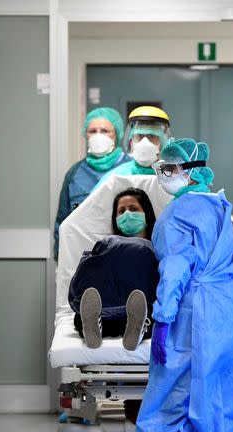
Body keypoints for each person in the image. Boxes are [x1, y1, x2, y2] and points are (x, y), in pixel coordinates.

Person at [136, 139, 233, 432]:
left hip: (193, 314)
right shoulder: (219, 206)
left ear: (189, 170)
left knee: (176, 404)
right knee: (218, 407)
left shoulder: (177, 214)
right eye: (161, 169)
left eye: (170, 169)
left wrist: (164, 316)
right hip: (230, 313)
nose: (164, 176)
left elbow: (175, 269)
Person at [67, 188, 159, 351]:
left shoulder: (159, 248)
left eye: (133, 209)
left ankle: (102, 327)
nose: (127, 214)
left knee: (152, 315)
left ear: (146, 213)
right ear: (115, 219)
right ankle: (136, 327)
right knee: (81, 315)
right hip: (109, 306)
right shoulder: (105, 247)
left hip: (140, 307)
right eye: (121, 211)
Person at [54, 107, 130, 260]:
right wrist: (60, 256)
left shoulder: (130, 169)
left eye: (105, 130)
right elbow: (62, 221)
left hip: (123, 255)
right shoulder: (75, 173)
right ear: (85, 135)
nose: (98, 135)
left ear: (116, 134)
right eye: (92, 131)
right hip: (82, 255)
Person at [92, 106, 172, 190]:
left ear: (163, 143)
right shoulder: (116, 178)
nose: (144, 143)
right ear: (131, 143)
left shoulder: (173, 178)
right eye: (139, 136)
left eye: (151, 136)